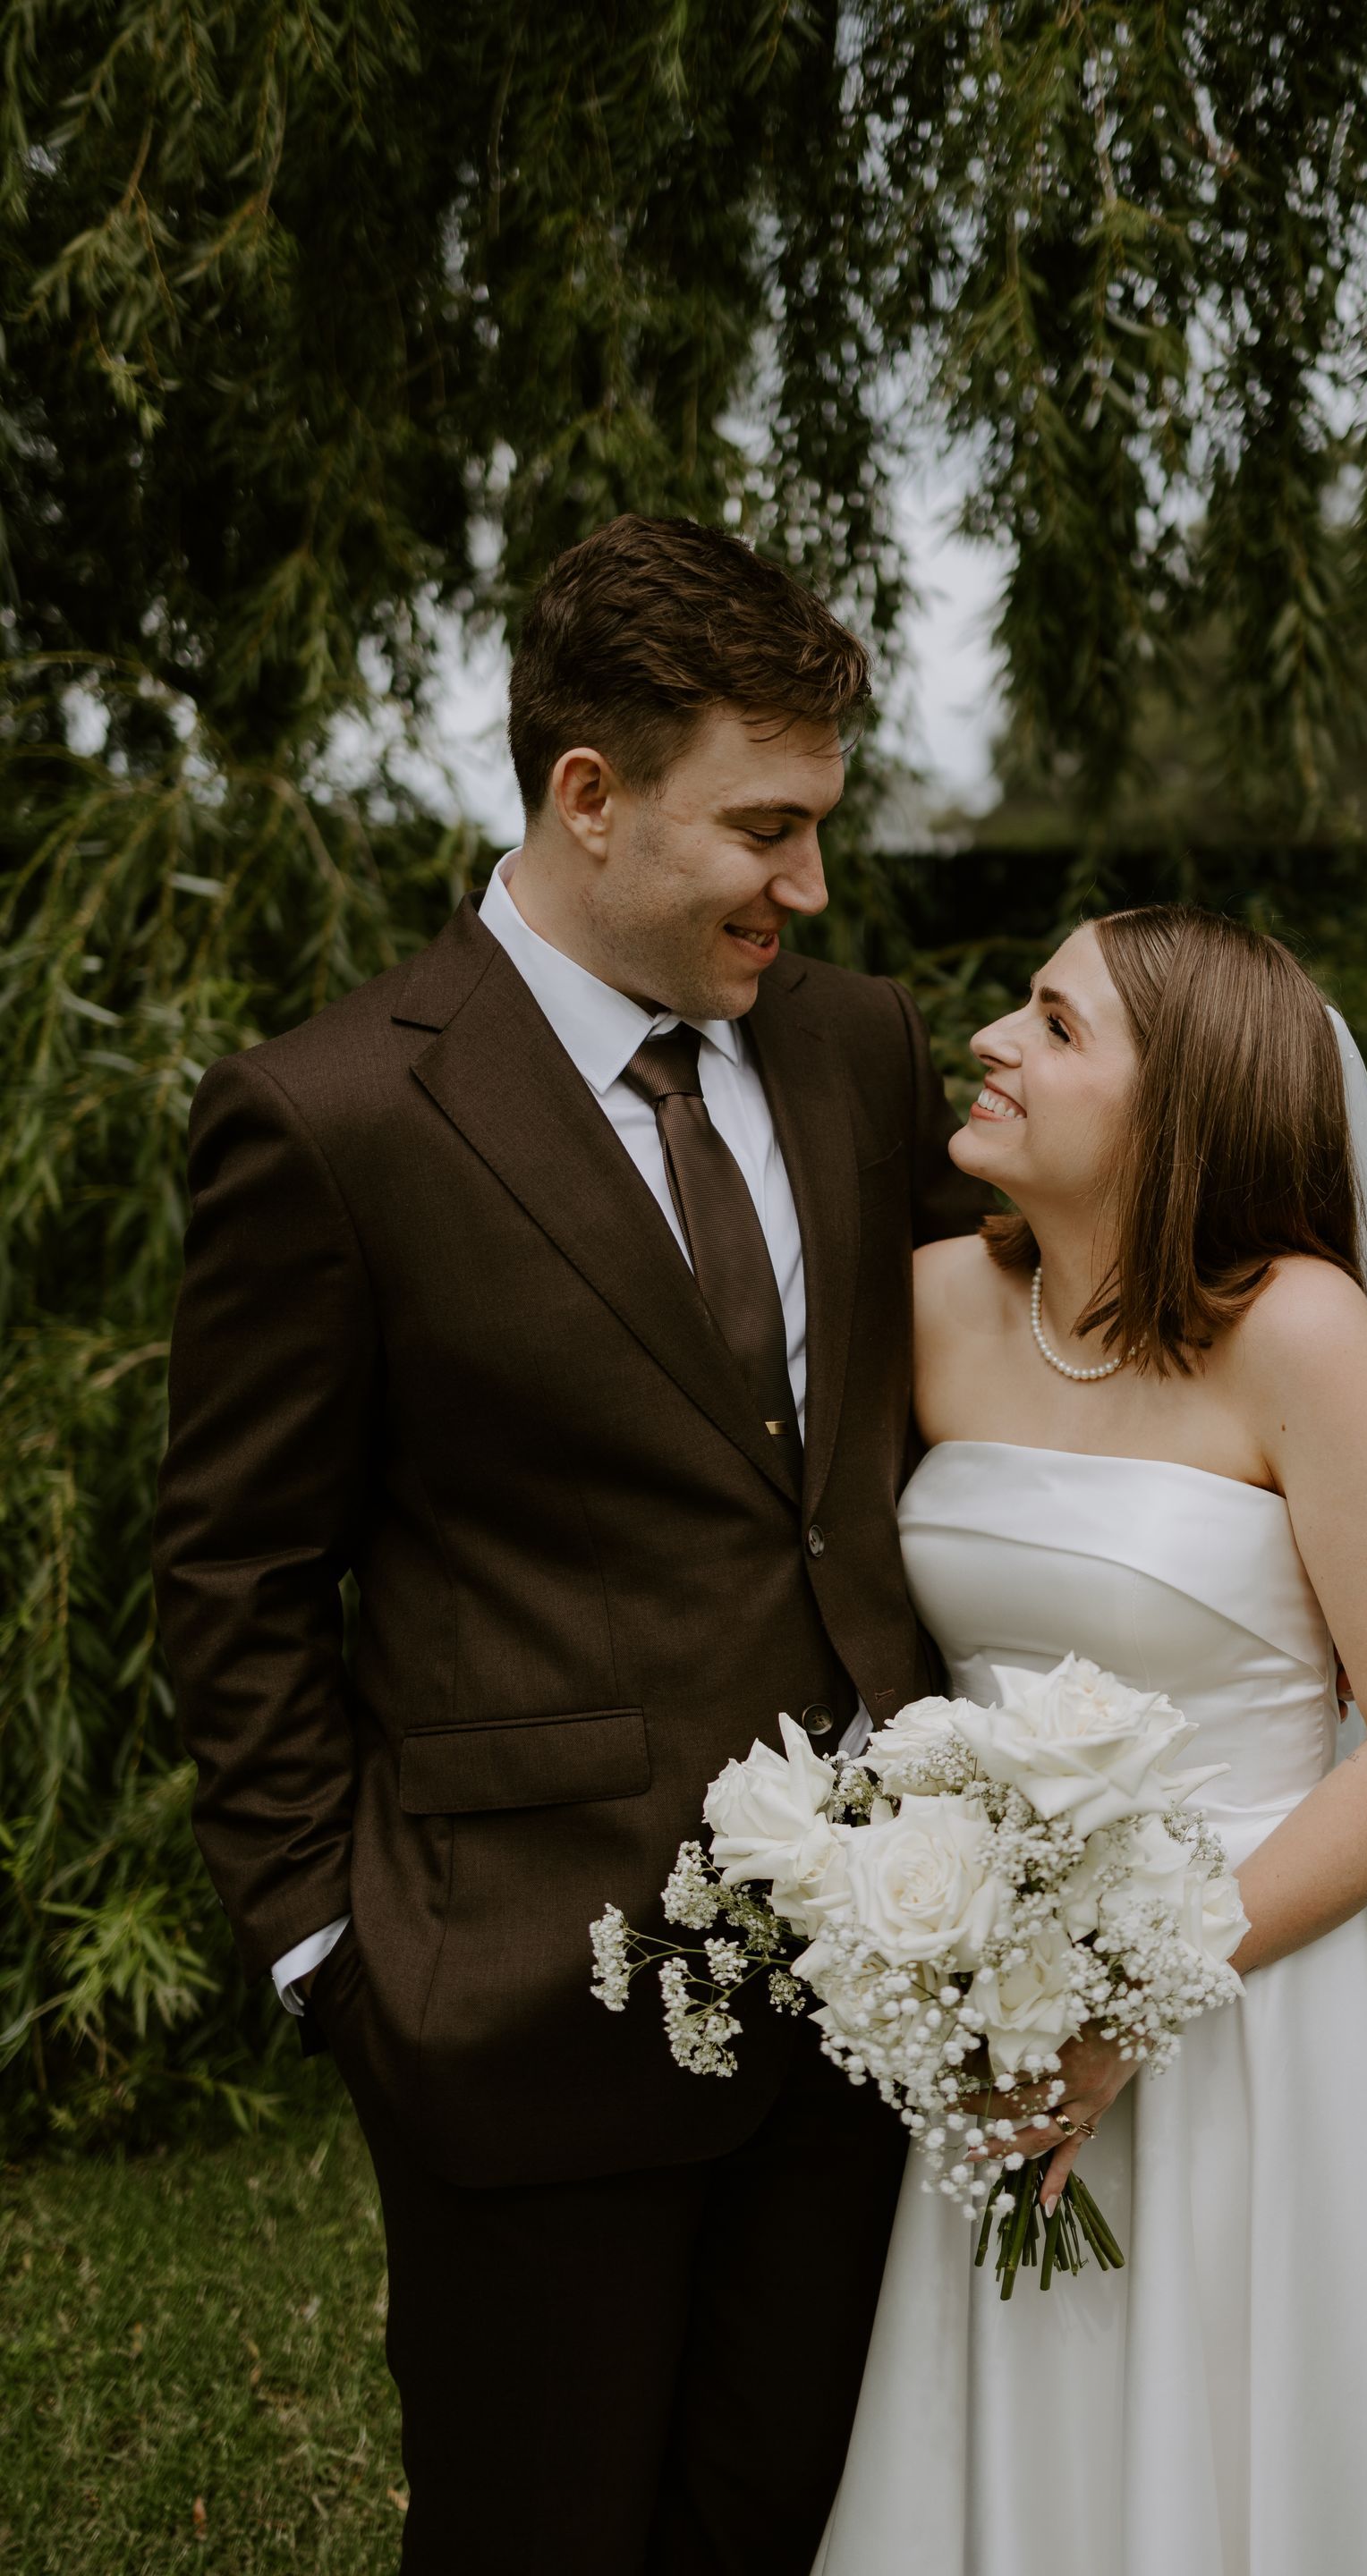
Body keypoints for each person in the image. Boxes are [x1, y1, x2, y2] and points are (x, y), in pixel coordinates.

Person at [151, 514, 989, 2574]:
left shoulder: (857, 1045)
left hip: (866, 2003)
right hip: (518, 1997)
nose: (808, 885)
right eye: (765, 828)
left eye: (821, 827)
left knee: (784, 2530)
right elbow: (235, 1581)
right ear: (587, 798)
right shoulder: (332, 1116)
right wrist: (335, 1956)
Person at [813, 906, 1367, 2576]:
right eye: (1024, 1005)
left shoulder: (1298, 1338)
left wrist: (1131, 2001)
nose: (995, 1039)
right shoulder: (935, 1305)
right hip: (999, 2003)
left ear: (1183, 1120)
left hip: (1262, 2004)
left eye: (1060, 1027)